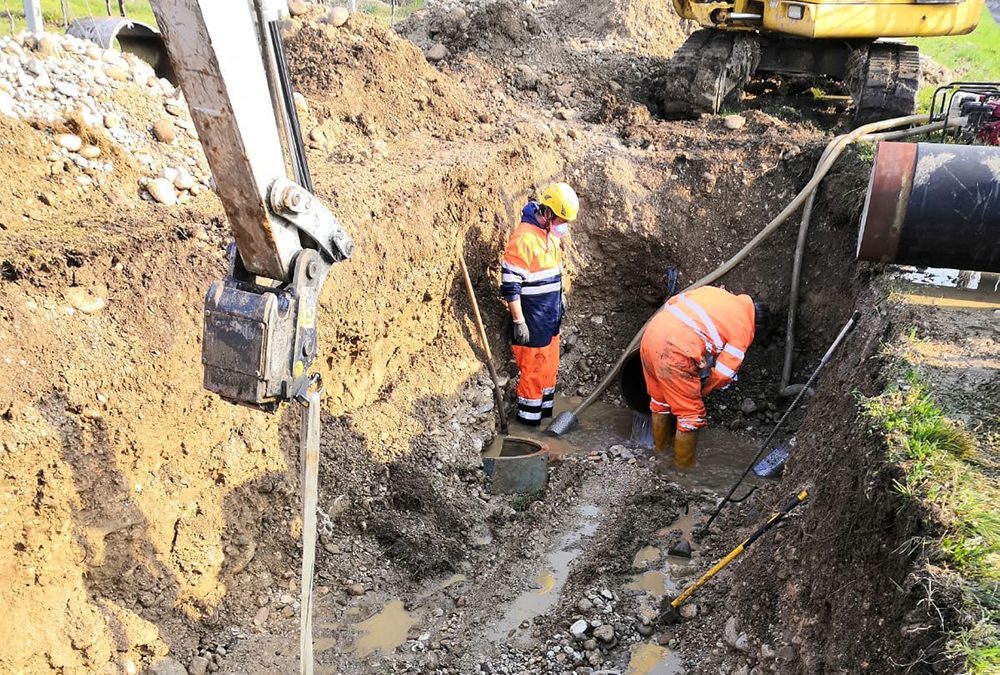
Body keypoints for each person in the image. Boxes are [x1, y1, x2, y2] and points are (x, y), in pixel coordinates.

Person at [639, 285, 766, 468]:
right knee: (691, 416)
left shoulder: (715, 293)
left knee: (660, 402)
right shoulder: (745, 326)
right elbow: (724, 374)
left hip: (652, 333)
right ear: (758, 326)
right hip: (676, 349)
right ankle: (683, 473)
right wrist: (701, 391)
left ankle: (658, 455)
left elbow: (674, 302)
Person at [499, 182, 579, 426]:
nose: (562, 226)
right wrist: (519, 321)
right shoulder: (524, 239)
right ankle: (529, 428)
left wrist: (560, 297)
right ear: (547, 214)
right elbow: (511, 286)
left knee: (549, 371)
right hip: (533, 323)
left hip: (550, 320)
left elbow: (552, 271)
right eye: (560, 220)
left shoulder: (549, 235)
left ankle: (544, 421)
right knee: (533, 376)